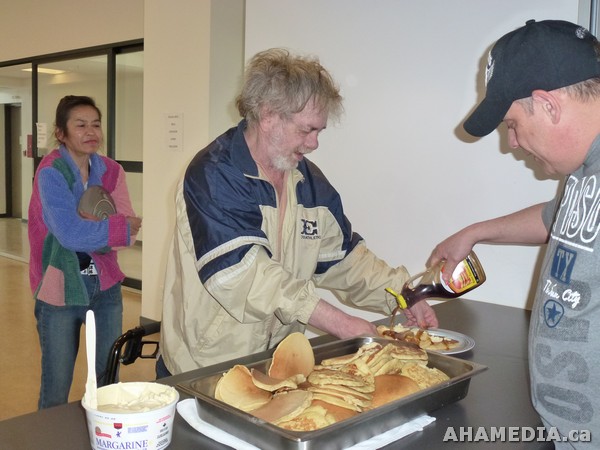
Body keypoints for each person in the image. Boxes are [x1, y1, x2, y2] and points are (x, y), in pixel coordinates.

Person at [158, 48, 438, 377]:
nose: (314, 143)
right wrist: (338, 321)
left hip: (279, 364)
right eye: (307, 130)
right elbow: (244, 275)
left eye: (319, 131)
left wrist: (405, 294)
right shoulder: (214, 174)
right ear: (268, 116)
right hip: (206, 368)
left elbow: (346, 260)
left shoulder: (309, 183)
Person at [428, 20, 600, 445]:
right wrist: (475, 233)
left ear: (548, 105)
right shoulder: (586, 169)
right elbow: (554, 220)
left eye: (512, 123)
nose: (513, 143)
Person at [28, 95, 142, 409]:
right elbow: (69, 234)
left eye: (95, 124)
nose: (91, 131)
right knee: (56, 387)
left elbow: (129, 234)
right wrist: (114, 226)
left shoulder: (112, 170)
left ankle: (104, 432)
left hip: (106, 289)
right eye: (80, 125)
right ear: (61, 133)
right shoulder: (51, 172)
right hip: (58, 290)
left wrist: (98, 228)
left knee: (108, 381)